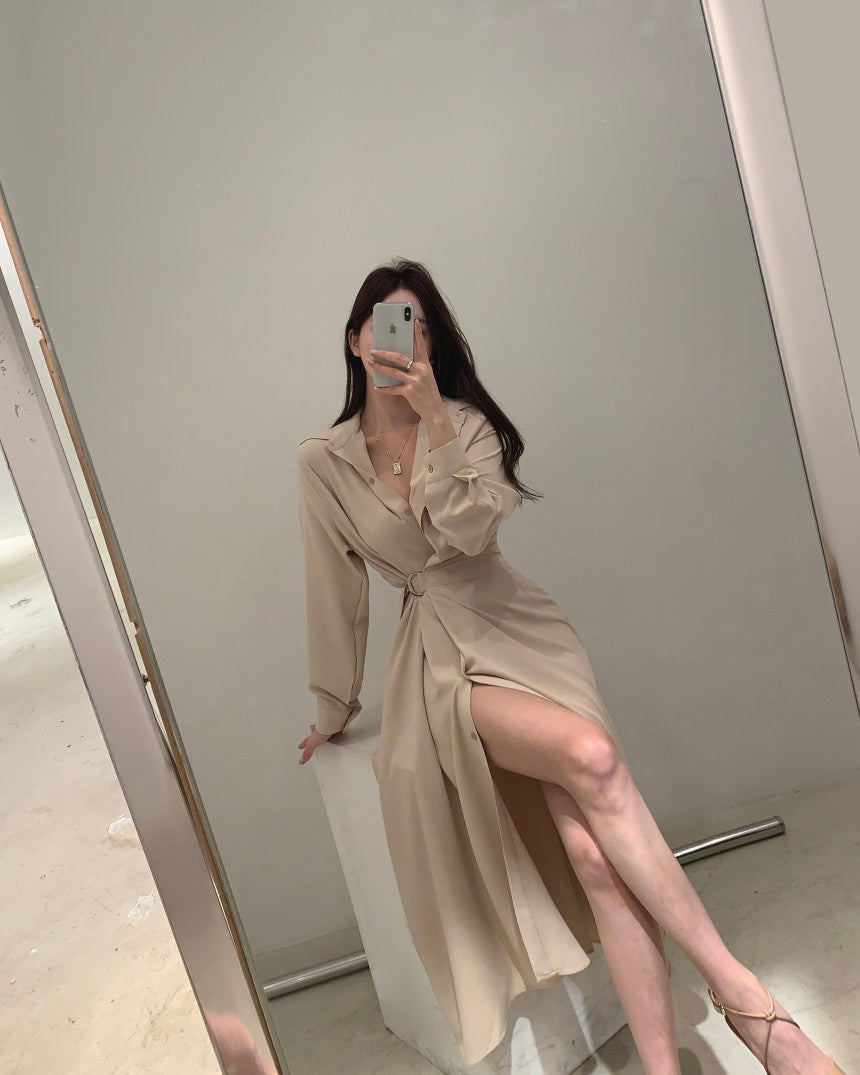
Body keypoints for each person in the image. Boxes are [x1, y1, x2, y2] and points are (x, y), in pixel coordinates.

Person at [296, 257, 845, 1075]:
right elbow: (336, 592)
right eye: (386, 325)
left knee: (593, 855)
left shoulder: (468, 427)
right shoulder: (323, 462)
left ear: (434, 344)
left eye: (419, 328)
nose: (401, 343)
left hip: (521, 629)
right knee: (593, 756)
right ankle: (753, 1008)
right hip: (439, 661)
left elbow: (470, 533)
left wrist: (435, 421)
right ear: (354, 339)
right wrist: (332, 706)